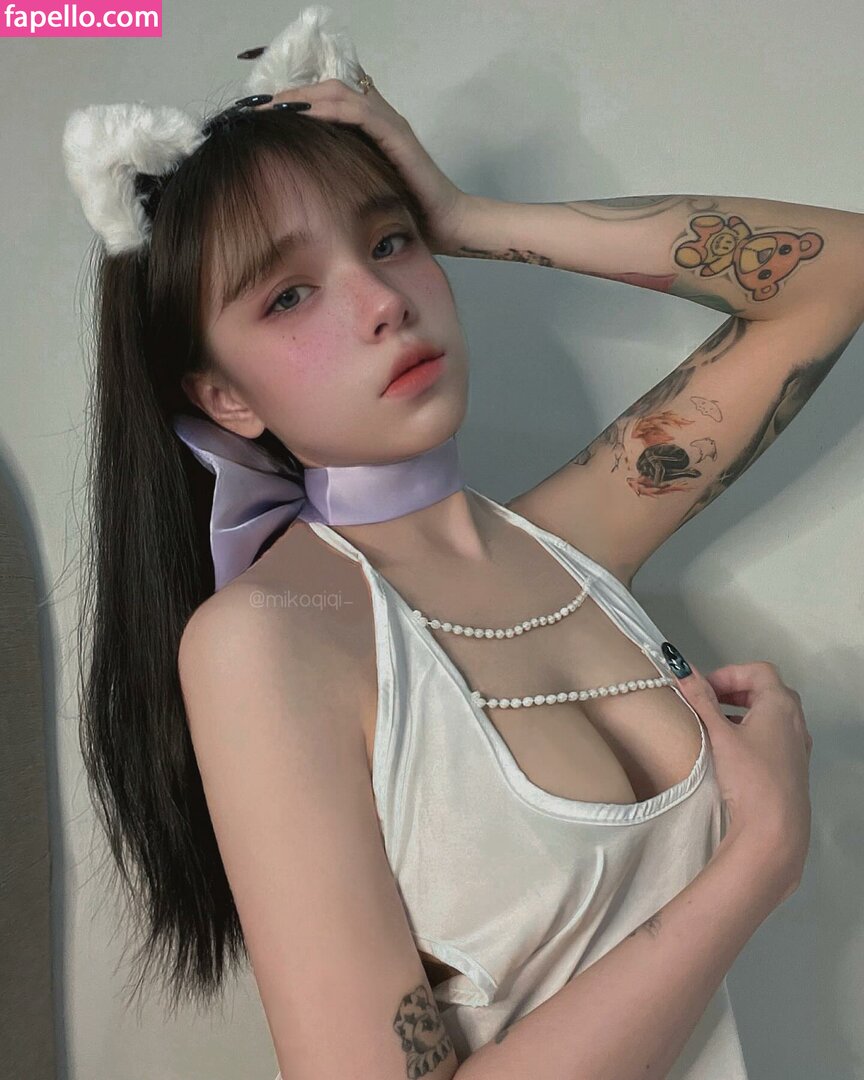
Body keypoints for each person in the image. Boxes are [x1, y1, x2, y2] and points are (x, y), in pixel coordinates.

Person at [64, 10, 820, 1079]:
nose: (382, 301)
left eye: (390, 241)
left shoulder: (572, 543)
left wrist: (467, 214)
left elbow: (829, 279)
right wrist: (760, 860)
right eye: (289, 294)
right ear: (226, 397)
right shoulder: (269, 642)